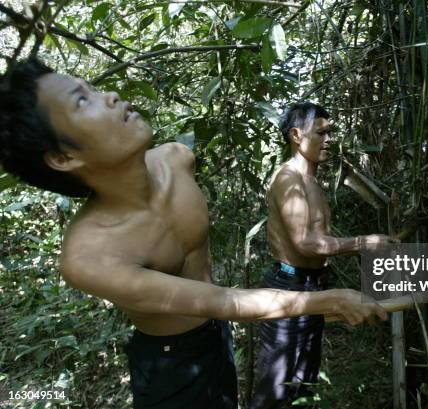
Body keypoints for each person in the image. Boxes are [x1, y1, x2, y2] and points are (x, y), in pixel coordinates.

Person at [0, 59, 388, 409]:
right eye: (83, 101)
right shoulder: (89, 255)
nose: (111, 95)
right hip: (170, 365)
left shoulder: (177, 158)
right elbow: (223, 299)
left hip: (217, 337)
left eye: (93, 87)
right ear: (64, 158)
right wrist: (330, 299)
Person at [250, 102, 397, 409]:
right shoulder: (289, 179)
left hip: (311, 286)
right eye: (321, 132)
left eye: (330, 132)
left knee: (304, 383)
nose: (329, 139)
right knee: (275, 391)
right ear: (295, 135)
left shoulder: (311, 180)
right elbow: (305, 243)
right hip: (287, 289)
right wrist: (362, 243)